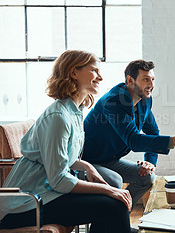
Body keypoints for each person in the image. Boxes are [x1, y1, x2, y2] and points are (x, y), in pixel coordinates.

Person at [0, 50, 136, 233]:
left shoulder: (74, 111)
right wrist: (108, 190)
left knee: (112, 206)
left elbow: (62, 157)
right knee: (113, 205)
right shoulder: (58, 117)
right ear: (74, 72)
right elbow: (59, 180)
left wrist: (87, 166)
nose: (101, 77)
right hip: (24, 204)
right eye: (95, 70)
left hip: (47, 193)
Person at [82, 59, 175, 206]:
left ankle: (117, 217)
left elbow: (153, 132)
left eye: (152, 79)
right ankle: (111, 221)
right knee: (115, 181)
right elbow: (134, 141)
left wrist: (149, 163)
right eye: (146, 79)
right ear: (130, 80)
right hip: (88, 161)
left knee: (147, 177)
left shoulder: (144, 100)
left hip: (110, 159)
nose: (151, 85)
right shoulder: (114, 101)